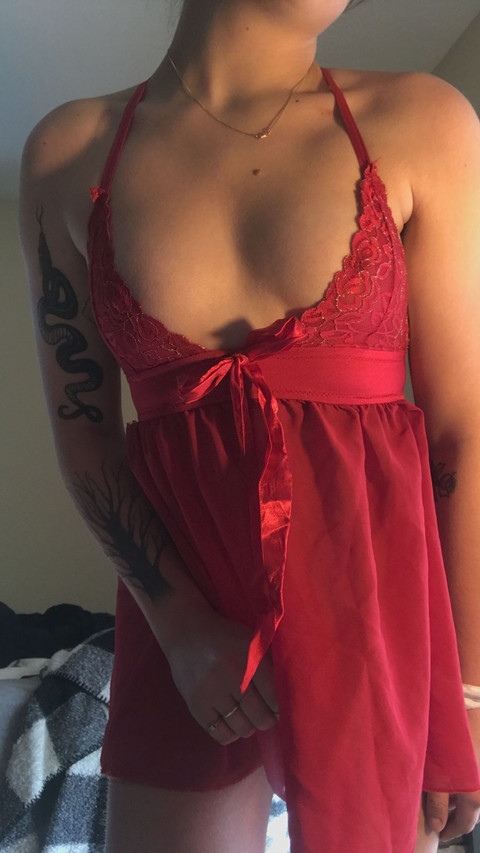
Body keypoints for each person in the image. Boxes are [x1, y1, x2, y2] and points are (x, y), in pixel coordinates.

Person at [17, 0, 480, 850]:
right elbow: (86, 438)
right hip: (183, 623)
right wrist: (181, 629)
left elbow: (463, 437)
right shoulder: (68, 152)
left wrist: (468, 694)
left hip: (371, 620)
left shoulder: (422, 122)